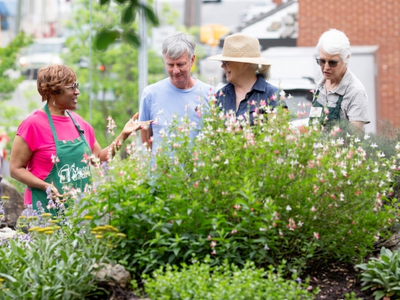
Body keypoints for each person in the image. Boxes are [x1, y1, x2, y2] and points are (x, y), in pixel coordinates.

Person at [9, 64, 144, 213]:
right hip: (45, 213)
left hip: (80, 212)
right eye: (71, 87)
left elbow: (99, 158)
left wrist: (123, 134)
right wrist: (46, 186)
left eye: (76, 86)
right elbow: (15, 169)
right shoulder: (32, 125)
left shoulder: (79, 122)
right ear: (53, 92)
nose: (77, 92)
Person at [139, 32, 213, 154]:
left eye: (180, 64)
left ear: (192, 60)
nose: (175, 70)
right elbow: (147, 140)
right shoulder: (150, 94)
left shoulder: (210, 94)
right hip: (163, 171)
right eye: (170, 65)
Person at [208, 33, 285, 125]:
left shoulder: (272, 95)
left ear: (245, 64)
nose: (222, 66)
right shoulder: (220, 96)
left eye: (226, 62)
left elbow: (280, 134)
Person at [309, 29, 370, 130]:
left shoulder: (355, 92)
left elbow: (355, 139)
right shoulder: (320, 79)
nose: (326, 67)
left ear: (346, 59)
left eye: (332, 62)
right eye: (322, 61)